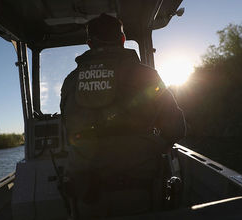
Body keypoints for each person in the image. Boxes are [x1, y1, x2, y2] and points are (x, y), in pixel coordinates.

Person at [60, 13, 186, 218]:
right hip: (141, 186)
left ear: (90, 43)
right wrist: (153, 144)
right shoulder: (147, 75)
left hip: (86, 191)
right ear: (122, 40)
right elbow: (177, 128)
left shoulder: (70, 81)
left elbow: (68, 128)